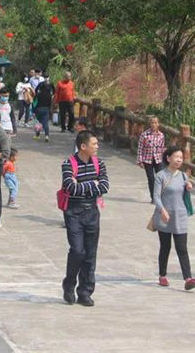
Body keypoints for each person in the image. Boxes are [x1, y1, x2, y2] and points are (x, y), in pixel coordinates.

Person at [61, 130, 109, 307]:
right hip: (74, 212)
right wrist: (92, 184)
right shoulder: (68, 164)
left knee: (90, 253)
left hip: (92, 211)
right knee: (77, 251)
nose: (97, 147)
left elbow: (104, 186)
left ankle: (85, 291)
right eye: (94, 144)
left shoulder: (99, 163)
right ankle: (69, 285)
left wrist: (82, 185)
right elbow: (70, 188)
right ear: (83, 146)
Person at [152, 145, 195, 290]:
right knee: (165, 247)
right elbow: (156, 196)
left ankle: (188, 279)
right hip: (165, 217)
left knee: (182, 248)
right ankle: (162, 275)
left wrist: (188, 188)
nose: (179, 160)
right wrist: (162, 210)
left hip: (180, 216)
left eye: (181, 157)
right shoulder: (161, 176)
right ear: (168, 158)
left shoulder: (184, 176)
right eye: (176, 157)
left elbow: (184, 196)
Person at [137, 116, 165, 203]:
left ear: (158, 124)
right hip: (147, 159)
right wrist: (140, 161)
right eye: (152, 123)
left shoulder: (161, 135)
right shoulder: (144, 135)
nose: (154, 125)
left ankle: (160, 197)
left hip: (158, 159)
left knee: (160, 178)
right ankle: (153, 198)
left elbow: (162, 148)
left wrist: (165, 159)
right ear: (150, 124)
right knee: (151, 179)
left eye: (155, 123)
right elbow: (140, 148)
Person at [34, 74, 54, 142]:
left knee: (39, 122)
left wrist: (34, 110)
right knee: (45, 123)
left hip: (39, 109)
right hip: (46, 109)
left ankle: (37, 135)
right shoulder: (49, 95)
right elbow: (51, 103)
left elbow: (34, 102)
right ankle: (46, 136)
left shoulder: (38, 95)